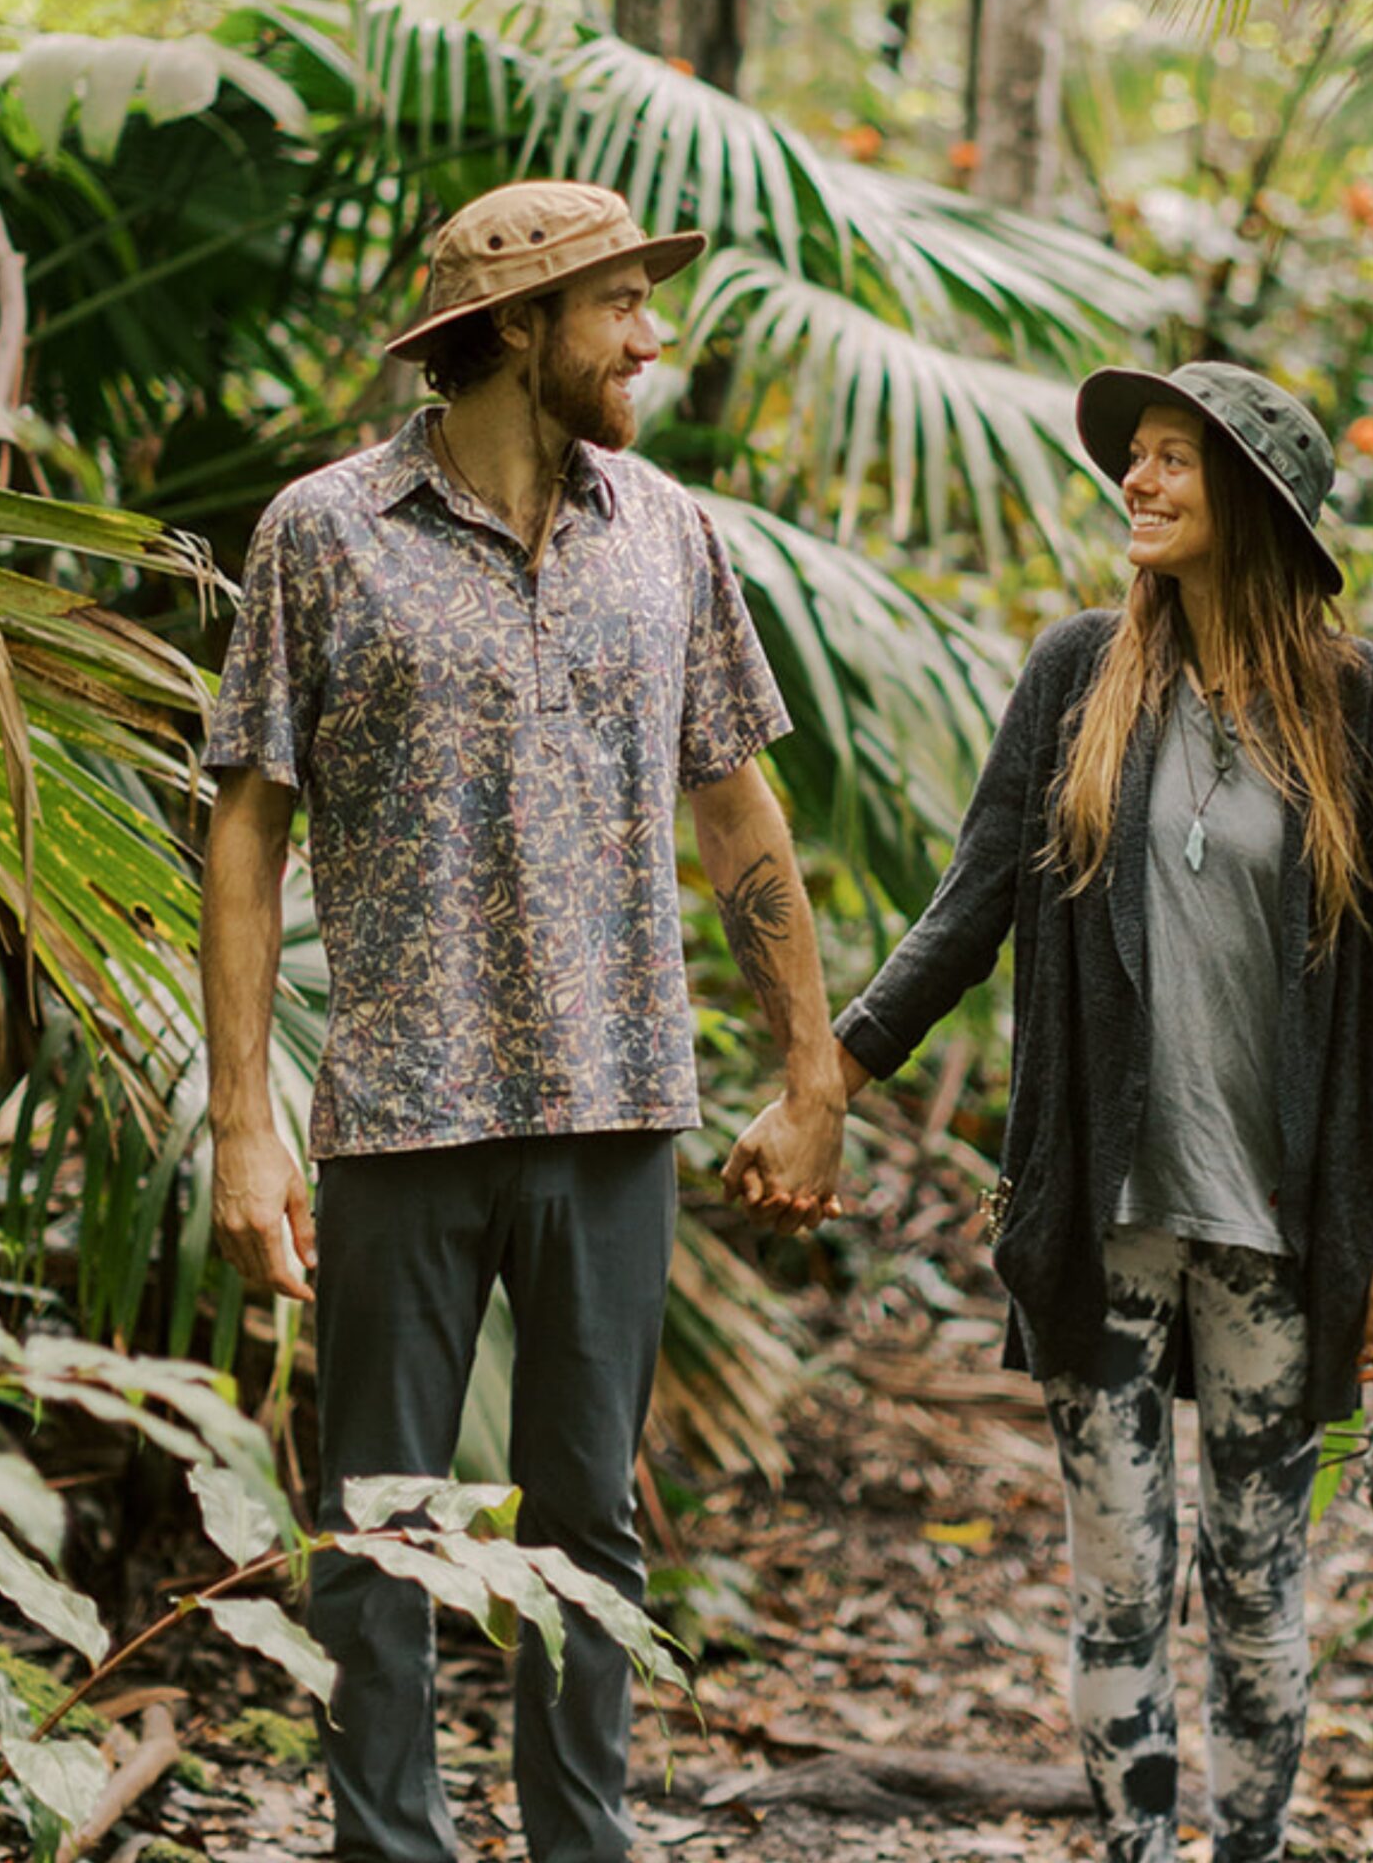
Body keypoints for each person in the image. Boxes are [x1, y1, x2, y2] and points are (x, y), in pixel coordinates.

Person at [199, 179, 843, 1863]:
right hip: (402, 1114)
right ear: (514, 329)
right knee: (381, 1540)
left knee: (590, 1535)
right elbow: (251, 829)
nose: (651, 336)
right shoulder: (322, 533)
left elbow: (738, 811)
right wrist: (245, 1122)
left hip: (617, 1103)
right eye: (618, 306)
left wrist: (810, 1067)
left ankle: (583, 1847)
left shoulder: (670, 533)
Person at [735, 360, 1373, 1863]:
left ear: (1253, 500)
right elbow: (973, 900)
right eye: (1139, 457)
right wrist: (825, 1084)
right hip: (1107, 1209)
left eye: (1180, 459)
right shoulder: (1076, 676)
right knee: (1119, 1576)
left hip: (1281, 1219)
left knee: (1257, 1584)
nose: (1142, 479)